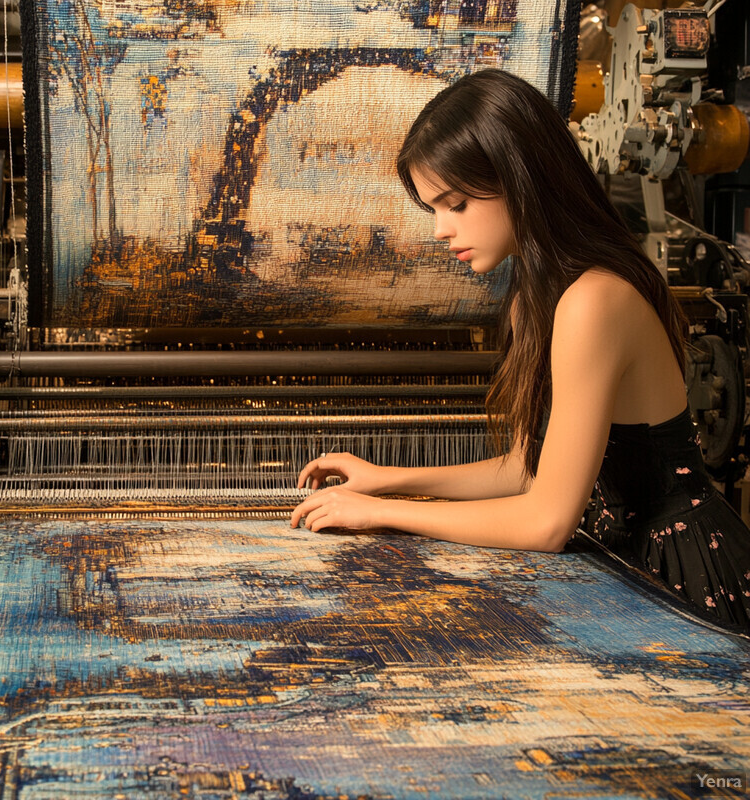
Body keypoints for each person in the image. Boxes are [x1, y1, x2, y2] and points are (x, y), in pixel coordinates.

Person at [290, 69, 750, 631]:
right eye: (434, 208)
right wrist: (386, 477)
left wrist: (381, 513)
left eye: (455, 204)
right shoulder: (541, 296)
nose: (440, 229)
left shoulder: (593, 300)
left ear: (520, 177)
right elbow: (531, 472)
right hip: (620, 566)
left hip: (681, 581)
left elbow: (546, 522)